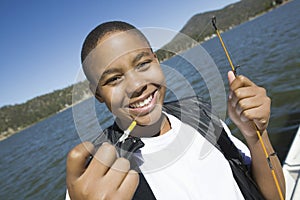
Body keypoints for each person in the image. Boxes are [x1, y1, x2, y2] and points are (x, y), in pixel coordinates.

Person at [66, 21, 285, 200]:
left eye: (142, 64)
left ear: (157, 61)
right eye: (114, 79)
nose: (136, 85)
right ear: (98, 95)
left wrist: (256, 135)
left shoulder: (201, 114)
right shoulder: (93, 178)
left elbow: (275, 196)